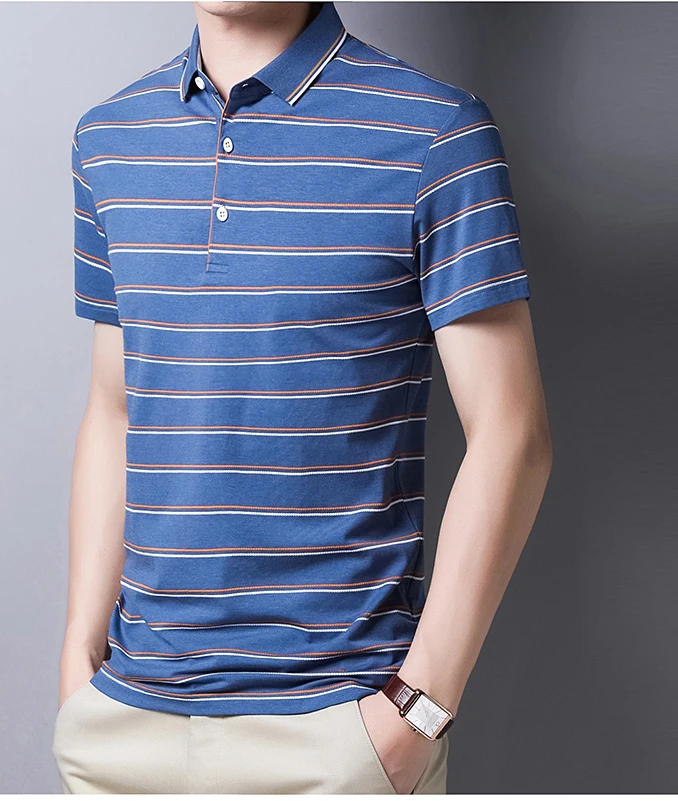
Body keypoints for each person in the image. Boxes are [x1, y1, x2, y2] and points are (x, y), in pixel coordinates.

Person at [52, 1, 552, 794]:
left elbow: (512, 434)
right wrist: (78, 658)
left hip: (338, 729)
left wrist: (416, 710)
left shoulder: (437, 134)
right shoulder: (109, 137)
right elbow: (117, 408)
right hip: (126, 724)